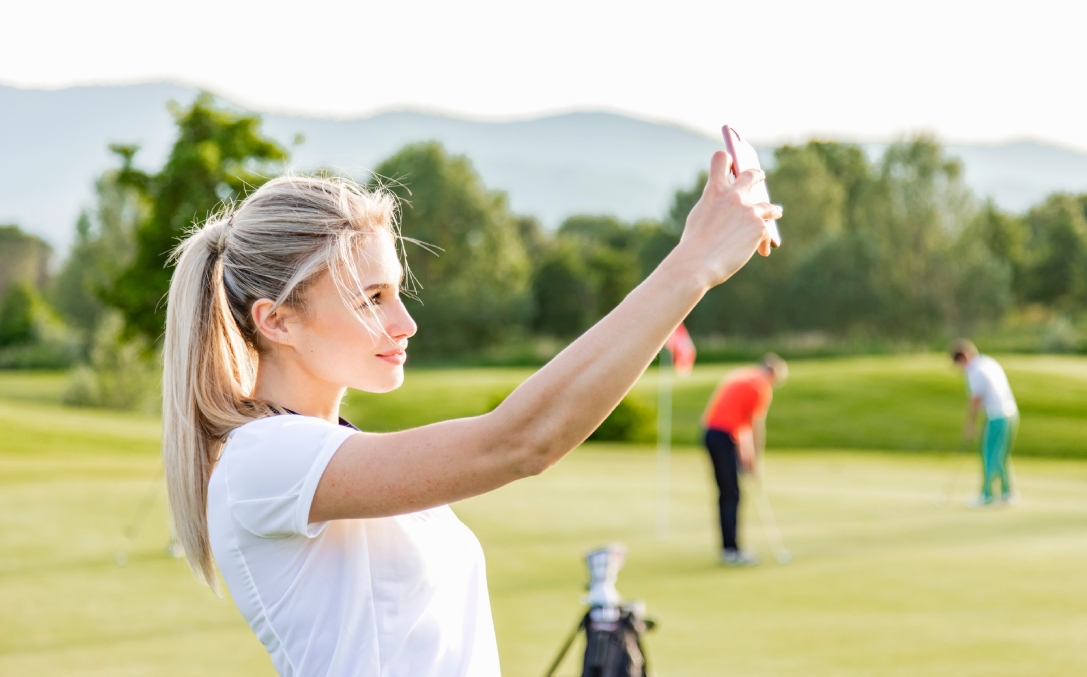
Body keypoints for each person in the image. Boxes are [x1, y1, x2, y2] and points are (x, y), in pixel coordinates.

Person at [162, 152, 780, 677]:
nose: (404, 323)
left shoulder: (322, 455)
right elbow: (520, 442)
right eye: (370, 298)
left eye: (396, 292)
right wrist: (692, 265)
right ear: (277, 320)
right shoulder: (266, 461)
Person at [700, 353, 788, 565]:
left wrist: (746, 456)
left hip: (712, 433)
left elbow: (737, 423)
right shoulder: (760, 387)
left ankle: (729, 548)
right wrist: (755, 460)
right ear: (772, 372)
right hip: (722, 437)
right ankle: (731, 550)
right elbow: (755, 427)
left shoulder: (739, 375)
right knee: (731, 494)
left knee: (728, 493)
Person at [951, 339, 1019, 507]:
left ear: (963, 358)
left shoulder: (975, 371)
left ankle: (987, 495)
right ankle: (1007, 492)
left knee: (990, 456)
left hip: (998, 417)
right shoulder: (988, 362)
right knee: (1000, 456)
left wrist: (970, 425)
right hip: (1011, 414)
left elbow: (976, 400)